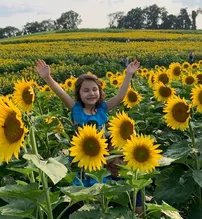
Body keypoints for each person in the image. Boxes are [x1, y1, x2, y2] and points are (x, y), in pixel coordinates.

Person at [35, 59, 142, 211]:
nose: (91, 93)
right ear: (79, 93)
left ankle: (103, 211)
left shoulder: (103, 109)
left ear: (100, 91)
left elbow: (119, 96)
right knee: (86, 192)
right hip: (82, 157)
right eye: (86, 90)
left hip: (101, 156)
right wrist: (47, 77)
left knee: (101, 187)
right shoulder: (76, 109)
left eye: (94, 89)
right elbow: (61, 93)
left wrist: (129, 74)